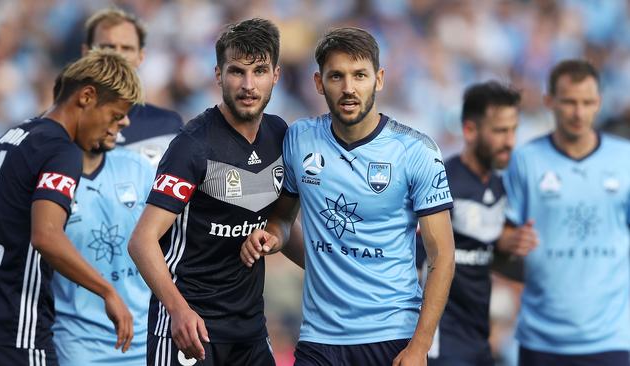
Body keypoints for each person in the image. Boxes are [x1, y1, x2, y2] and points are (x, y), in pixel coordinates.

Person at [241, 27, 455, 366]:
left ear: (379, 79)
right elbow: (282, 218)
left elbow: (441, 254)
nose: (349, 88)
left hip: (392, 336)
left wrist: (420, 346)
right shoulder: (299, 139)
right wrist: (272, 237)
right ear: (318, 82)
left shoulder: (415, 150)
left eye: (360, 75)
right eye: (336, 76)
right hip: (319, 338)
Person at [128, 18, 302, 366]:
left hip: (250, 329)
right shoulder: (192, 146)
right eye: (237, 71)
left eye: (260, 71)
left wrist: (275, 240)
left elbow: (280, 221)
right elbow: (142, 241)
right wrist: (178, 310)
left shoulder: (280, 136)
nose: (249, 85)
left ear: (276, 76)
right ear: (219, 75)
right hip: (190, 327)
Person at [0, 49, 142, 366]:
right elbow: (46, 235)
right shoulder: (62, 150)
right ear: (87, 96)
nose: (116, 128)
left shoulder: (14, 136)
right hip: (17, 332)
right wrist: (107, 291)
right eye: (113, 116)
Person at [503, 59, 630, 366]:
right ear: (550, 101)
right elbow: (503, 233)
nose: (578, 112)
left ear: (598, 103)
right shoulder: (526, 160)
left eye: (587, 102)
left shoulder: (624, 159)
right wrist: (510, 241)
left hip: (611, 336)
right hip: (542, 337)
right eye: (570, 102)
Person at [424, 81, 533, 366]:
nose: (510, 141)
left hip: (479, 339)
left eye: (513, 130)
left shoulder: (502, 188)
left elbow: (489, 255)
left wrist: (508, 248)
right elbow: (420, 260)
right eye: (500, 131)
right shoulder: (441, 182)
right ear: (470, 131)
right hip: (440, 341)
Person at [50, 77, 155, 364]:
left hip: (145, 341)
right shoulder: (49, 179)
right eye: (115, 114)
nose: (123, 124)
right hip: (78, 345)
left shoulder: (139, 169)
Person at [83, 7, 183, 166]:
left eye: (127, 48)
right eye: (108, 47)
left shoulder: (167, 126)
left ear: (141, 56)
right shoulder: (62, 124)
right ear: (86, 52)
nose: (118, 56)